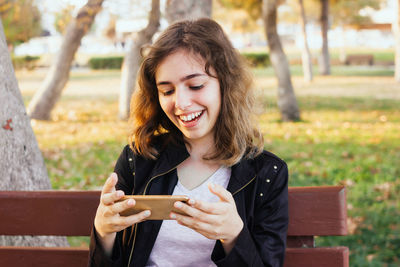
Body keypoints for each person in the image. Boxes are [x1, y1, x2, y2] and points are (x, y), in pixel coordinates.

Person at [89, 18, 288, 267]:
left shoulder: (267, 173)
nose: (181, 103)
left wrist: (233, 235)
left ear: (225, 84)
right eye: (167, 91)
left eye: (195, 85)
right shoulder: (139, 158)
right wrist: (104, 232)